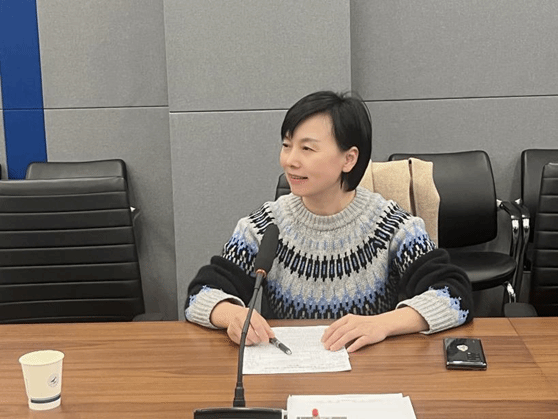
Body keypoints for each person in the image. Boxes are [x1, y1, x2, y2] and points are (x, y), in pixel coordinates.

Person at [185, 90, 473, 353]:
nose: (290, 160)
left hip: (369, 372)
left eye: (307, 149)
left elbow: (455, 296)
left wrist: (383, 324)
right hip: (289, 372)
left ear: (349, 159)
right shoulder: (264, 226)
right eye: (287, 145)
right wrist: (232, 315)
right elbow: (200, 295)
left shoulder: (390, 225)